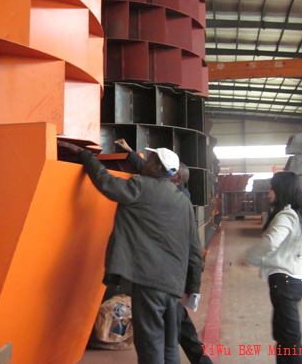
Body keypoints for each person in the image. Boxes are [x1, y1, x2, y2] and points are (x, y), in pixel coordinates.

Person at [58, 141, 203, 364]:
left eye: (149, 160)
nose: (144, 163)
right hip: (174, 283)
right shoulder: (182, 201)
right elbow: (194, 249)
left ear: (157, 168)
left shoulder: (141, 186)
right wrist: (192, 288)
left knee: (150, 344)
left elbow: (106, 182)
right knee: (169, 344)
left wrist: (85, 156)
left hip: (150, 281)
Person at [115, 139, 213, 364]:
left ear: (176, 178)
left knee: (173, 330)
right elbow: (147, 170)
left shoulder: (179, 199)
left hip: (168, 278)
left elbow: (193, 251)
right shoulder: (172, 192)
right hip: (171, 279)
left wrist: (192, 288)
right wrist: (130, 152)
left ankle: (201, 360)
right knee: (175, 330)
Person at [244, 171, 302, 364]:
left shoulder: (286, 216)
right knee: (282, 334)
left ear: (280, 190)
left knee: (290, 338)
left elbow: (271, 242)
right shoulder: (298, 214)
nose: (269, 193)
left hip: (285, 282)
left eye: (271, 188)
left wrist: (251, 257)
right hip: (295, 280)